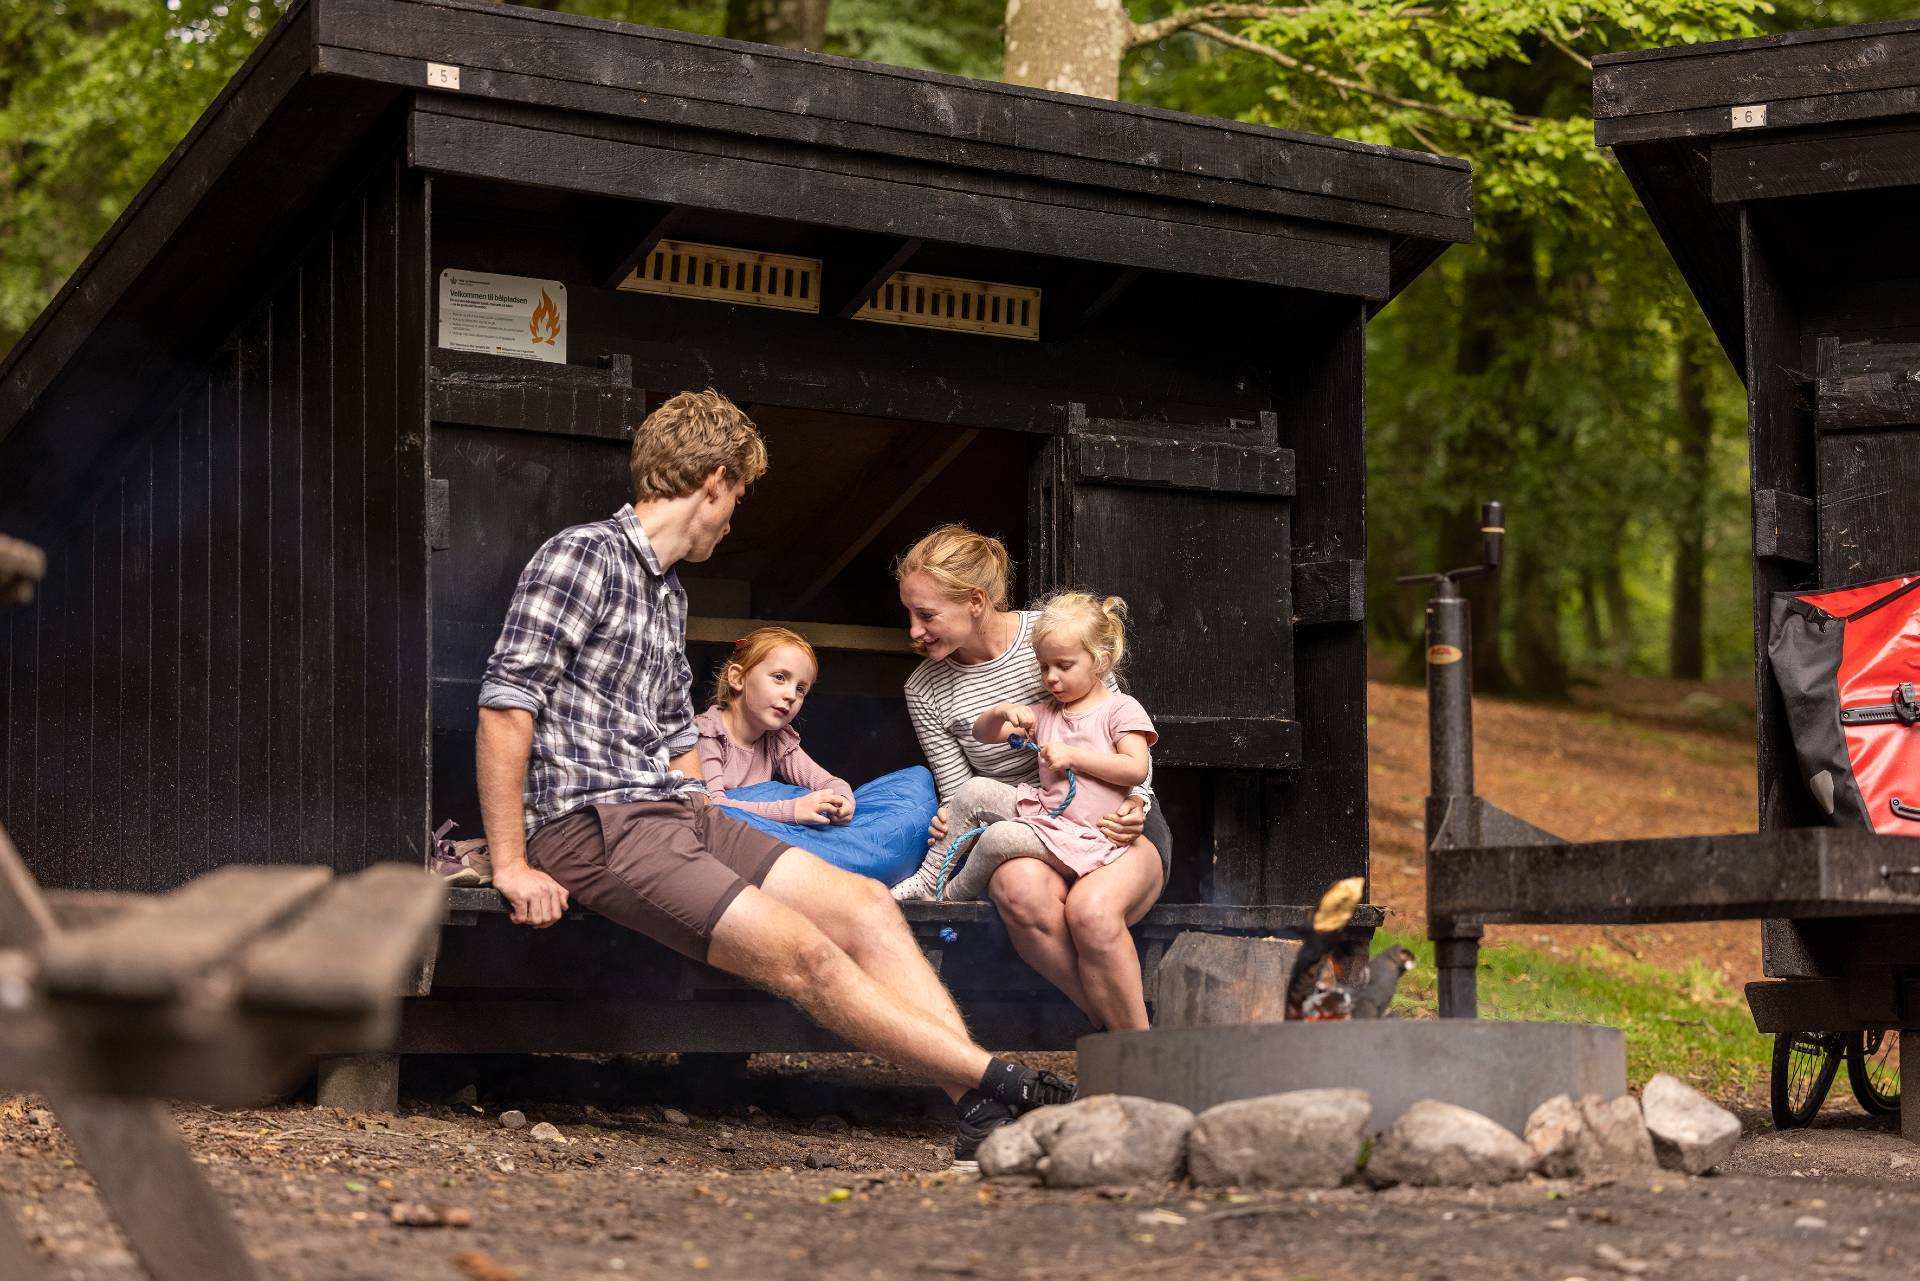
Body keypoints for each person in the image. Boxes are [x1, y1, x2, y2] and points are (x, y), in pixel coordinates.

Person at [475, 392, 1071, 1168]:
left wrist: (701, 805)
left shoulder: (667, 591)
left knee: (859, 904)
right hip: (599, 823)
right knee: (807, 953)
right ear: (716, 481)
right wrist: (513, 859)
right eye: (739, 499)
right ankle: (1007, 1080)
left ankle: (977, 1111)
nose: (734, 519)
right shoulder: (580, 556)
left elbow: (670, 732)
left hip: (676, 812)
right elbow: (505, 707)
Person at [892, 526, 1170, 1032]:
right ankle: (1118, 1031)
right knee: (1020, 890)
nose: (913, 631)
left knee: (1092, 912)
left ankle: (1132, 1045)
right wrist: (950, 819)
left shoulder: (1056, 636)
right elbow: (960, 791)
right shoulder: (925, 688)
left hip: (1110, 820)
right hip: (1028, 824)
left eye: (927, 615)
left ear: (975, 601)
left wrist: (1139, 804)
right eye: (910, 614)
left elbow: (1114, 728)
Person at [940, 592, 1155, 902]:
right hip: (1048, 818)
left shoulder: (1120, 708)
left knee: (999, 836)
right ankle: (929, 875)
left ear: (1101, 661)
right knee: (974, 791)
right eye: (1044, 667)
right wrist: (1000, 712)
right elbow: (984, 734)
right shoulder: (1045, 714)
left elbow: (1136, 769)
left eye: (1063, 666)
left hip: (1088, 835)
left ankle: (951, 896)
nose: (1051, 678)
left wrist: (1074, 757)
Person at [695, 627, 855, 826]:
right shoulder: (707, 734)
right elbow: (711, 806)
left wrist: (842, 801)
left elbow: (829, 782)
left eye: (800, 689)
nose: (791, 695)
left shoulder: (776, 739)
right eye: (779, 677)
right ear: (737, 677)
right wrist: (792, 810)